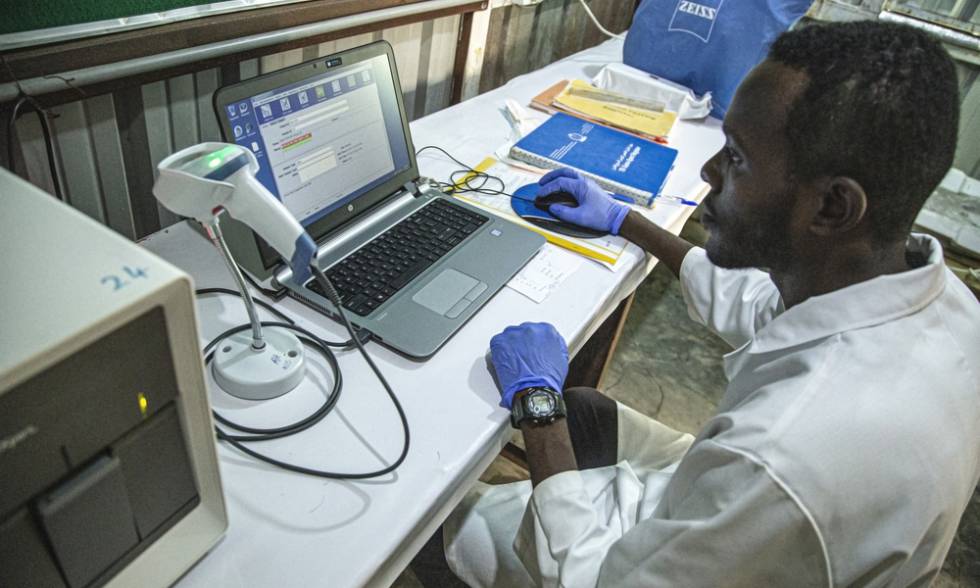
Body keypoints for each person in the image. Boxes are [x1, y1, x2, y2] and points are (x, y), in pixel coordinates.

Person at [442, 20, 980, 587]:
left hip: (640, 562)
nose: (708, 172)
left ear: (833, 207)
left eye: (738, 158)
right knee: (586, 409)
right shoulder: (937, 301)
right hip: (736, 521)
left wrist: (535, 405)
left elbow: (592, 579)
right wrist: (625, 220)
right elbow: (758, 303)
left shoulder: (784, 458)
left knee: (429, 521)